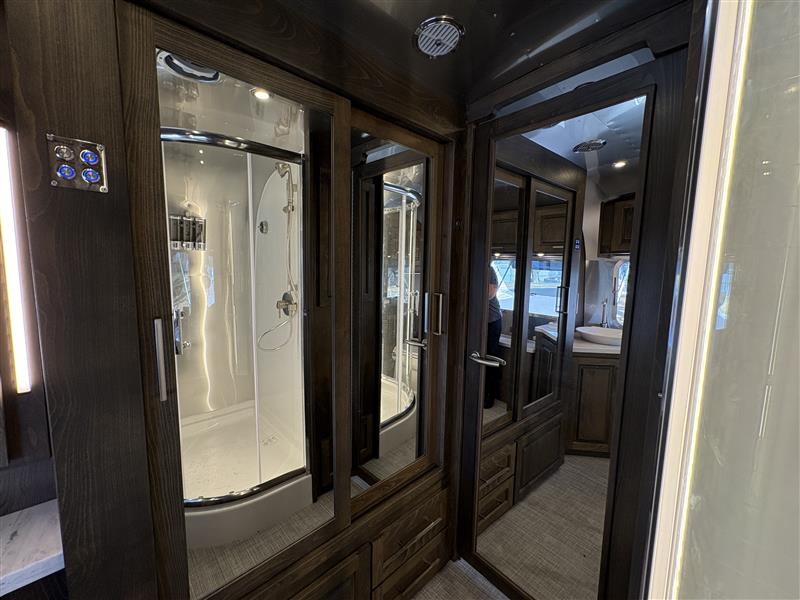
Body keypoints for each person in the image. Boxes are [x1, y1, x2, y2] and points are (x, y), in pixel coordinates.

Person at [485, 266, 503, 409]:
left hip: (492, 320)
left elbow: (490, 294)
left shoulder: (489, 270)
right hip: (479, 321)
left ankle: (490, 395)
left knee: (490, 357)